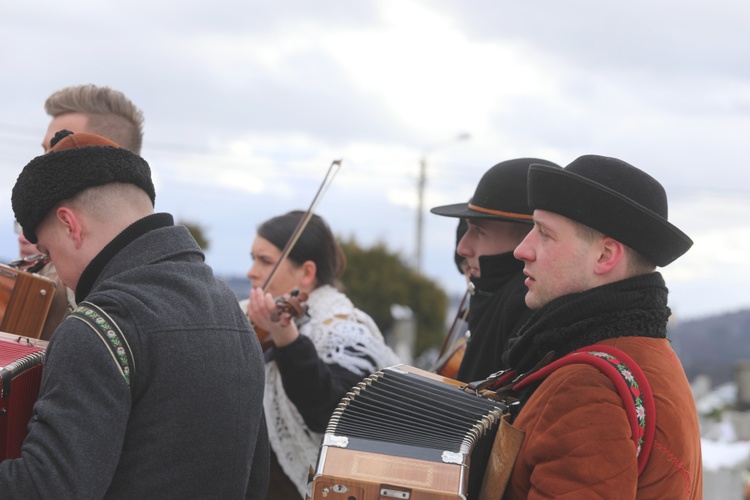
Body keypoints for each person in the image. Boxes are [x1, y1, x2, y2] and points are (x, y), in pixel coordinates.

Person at [1, 131, 269, 498]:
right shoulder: (229, 311)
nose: (56, 271)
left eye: (48, 251)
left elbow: (46, 490)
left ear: (70, 225)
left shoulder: (97, 326)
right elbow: (255, 479)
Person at [496, 154, 701, 498]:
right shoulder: (649, 352)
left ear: (605, 256)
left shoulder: (587, 388)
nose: (522, 249)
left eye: (545, 234)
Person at [242, 210, 400, 499]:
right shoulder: (271, 318)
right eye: (252, 258)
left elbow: (333, 414)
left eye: (264, 261)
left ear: (306, 273)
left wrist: (286, 337)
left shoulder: (345, 329)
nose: (251, 271)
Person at [12, 84, 145, 339]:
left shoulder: (141, 288)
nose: (41, 167)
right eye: (44, 152)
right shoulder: (33, 278)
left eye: (59, 150)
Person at [430, 158, 560, 383]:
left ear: (529, 239)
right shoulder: (499, 296)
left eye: (479, 232)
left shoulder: (525, 304)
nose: (463, 247)